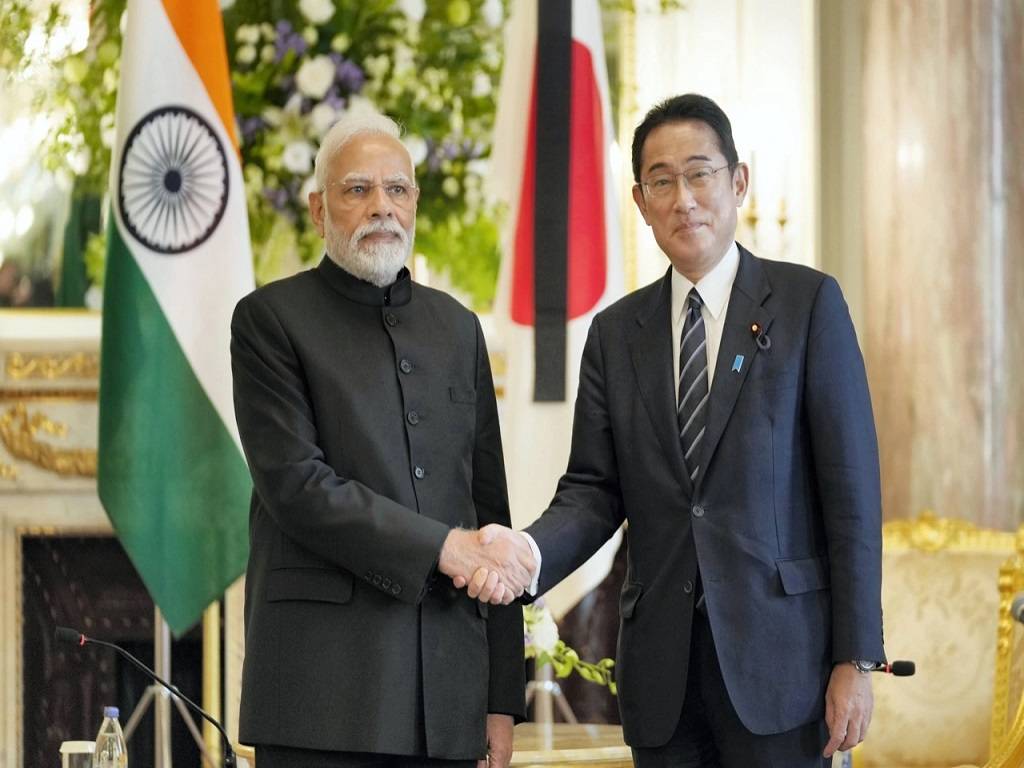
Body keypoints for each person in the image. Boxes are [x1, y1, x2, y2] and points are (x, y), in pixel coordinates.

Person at [459, 94, 885, 767]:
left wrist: (855, 658)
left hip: (783, 669)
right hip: (663, 675)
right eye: (662, 180)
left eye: (700, 173)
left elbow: (852, 497)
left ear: (737, 181)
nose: (683, 198)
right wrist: (527, 555)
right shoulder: (615, 333)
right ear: (639, 199)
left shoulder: (807, 306)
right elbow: (593, 491)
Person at [230, 110, 534, 768]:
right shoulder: (269, 320)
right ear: (318, 210)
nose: (381, 208)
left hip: (449, 702)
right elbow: (298, 488)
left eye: (397, 190)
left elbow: (490, 510)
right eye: (357, 189)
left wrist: (501, 698)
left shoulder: (458, 329)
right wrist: (444, 549)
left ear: (415, 204)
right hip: (323, 698)